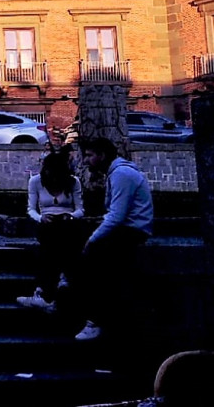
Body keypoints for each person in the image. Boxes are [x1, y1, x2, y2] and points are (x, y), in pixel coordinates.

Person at [72, 136, 154, 341]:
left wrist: (92, 240)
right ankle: (60, 292)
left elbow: (117, 216)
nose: (85, 161)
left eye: (90, 156)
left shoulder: (121, 174)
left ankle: (95, 320)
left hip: (132, 231)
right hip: (128, 228)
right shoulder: (117, 173)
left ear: (103, 155)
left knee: (95, 259)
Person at [16, 147, 87, 313]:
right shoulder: (35, 182)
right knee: (51, 237)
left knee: (60, 239)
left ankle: (43, 291)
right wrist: (41, 218)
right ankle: (60, 281)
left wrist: (70, 216)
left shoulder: (73, 182)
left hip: (68, 223)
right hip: (46, 223)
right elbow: (31, 209)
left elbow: (80, 210)